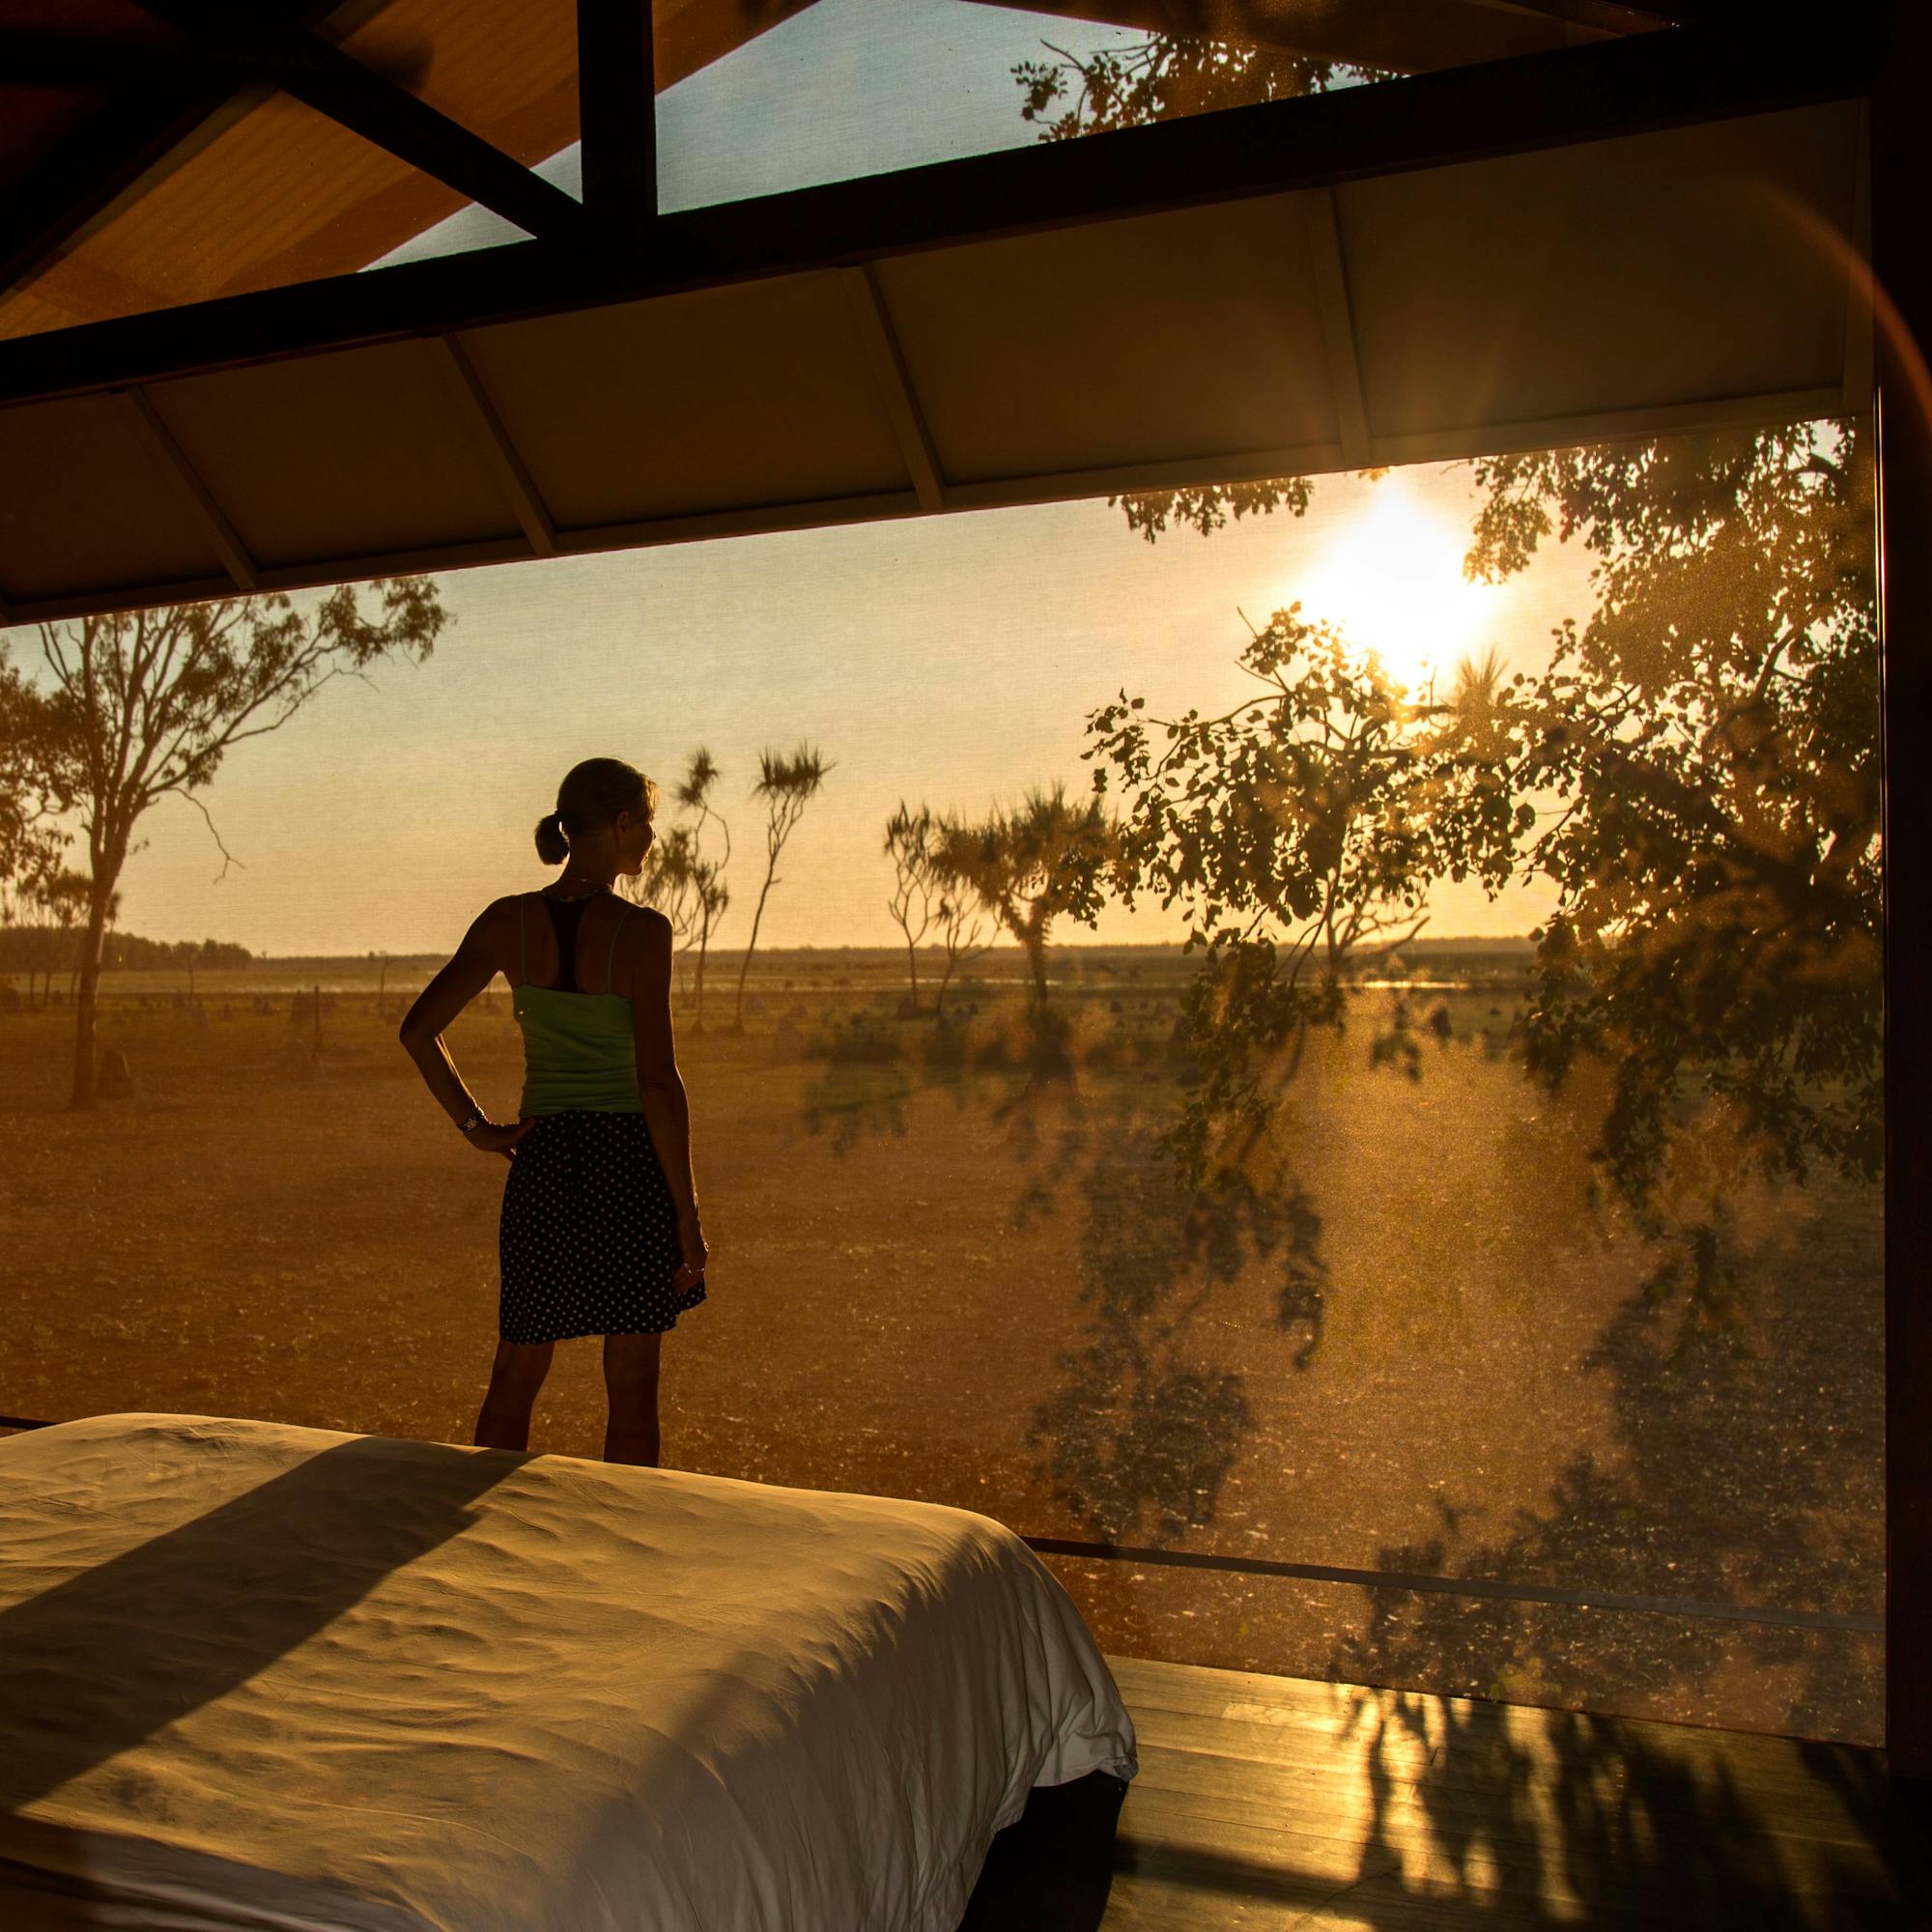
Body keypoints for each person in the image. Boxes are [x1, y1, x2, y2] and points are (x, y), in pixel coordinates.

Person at [399, 756, 708, 1466]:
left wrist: (480, 1130)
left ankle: (485, 1546)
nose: (652, 840)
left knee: (516, 1372)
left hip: (544, 1167)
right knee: (632, 1383)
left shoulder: (508, 921)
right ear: (623, 823)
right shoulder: (643, 933)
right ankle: (623, 1549)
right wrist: (688, 1218)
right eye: (648, 824)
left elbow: (419, 1032)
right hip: (629, 1169)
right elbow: (657, 1082)